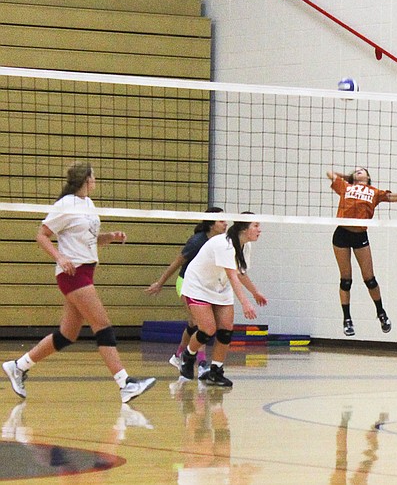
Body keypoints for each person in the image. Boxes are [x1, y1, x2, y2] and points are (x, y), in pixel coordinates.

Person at [2, 162, 156, 403]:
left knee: (67, 335)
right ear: (86, 179)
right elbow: (41, 235)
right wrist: (60, 257)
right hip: (73, 273)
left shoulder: (88, 204)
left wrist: (110, 237)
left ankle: (18, 366)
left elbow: (88, 239)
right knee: (102, 324)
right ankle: (125, 383)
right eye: (94, 176)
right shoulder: (65, 205)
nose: (96, 180)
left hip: (86, 270)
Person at [326, 167, 397, 336]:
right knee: (346, 280)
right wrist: (348, 178)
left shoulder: (374, 192)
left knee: (370, 279)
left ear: (368, 177)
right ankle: (347, 319)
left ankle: (381, 313)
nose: (358, 171)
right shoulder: (345, 187)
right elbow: (329, 172)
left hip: (360, 235)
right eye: (356, 171)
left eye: (362, 170)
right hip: (341, 234)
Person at [178, 214, 268, 387]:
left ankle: (215, 371)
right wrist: (245, 303)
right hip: (198, 286)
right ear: (244, 228)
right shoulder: (224, 244)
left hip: (220, 287)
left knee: (226, 331)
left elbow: (240, 272)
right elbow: (232, 276)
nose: (259, 230)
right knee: (207, 330)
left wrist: (255, 292)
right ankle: (188, 355)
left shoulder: (245, 246)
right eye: (256, 226)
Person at [145, 208, 228, 377]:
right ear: (211, 224)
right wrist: (160, 283)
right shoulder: (197, 241)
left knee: (193, 324)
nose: (226, 223)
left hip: (206, 286)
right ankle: (203, 363)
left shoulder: (222, 241)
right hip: (186, 283)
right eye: (221, 221)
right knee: (202, 325)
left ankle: (178, 356)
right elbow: (178, 261)